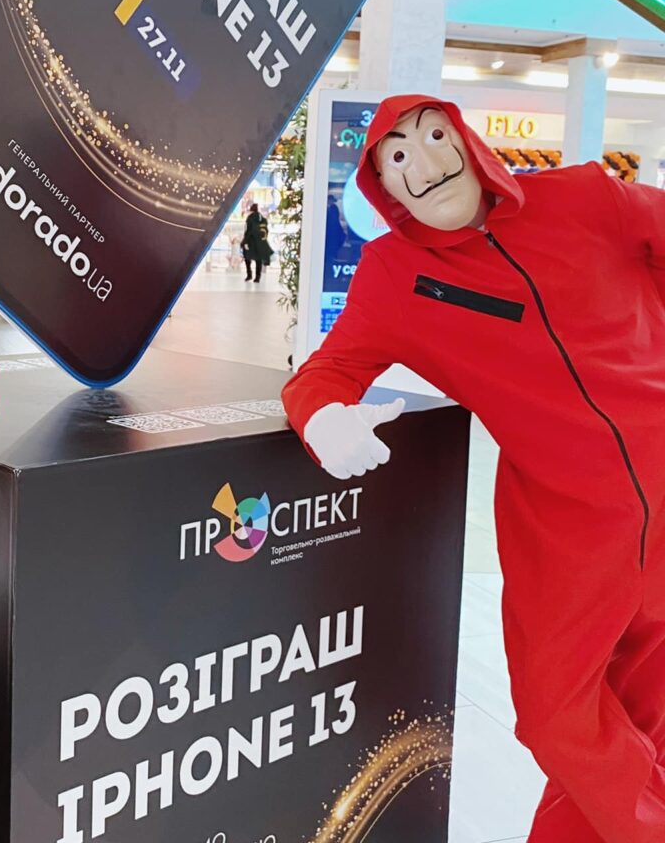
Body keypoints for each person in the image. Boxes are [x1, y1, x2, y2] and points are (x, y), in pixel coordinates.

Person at [283, 94, 665, 843]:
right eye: (397, 155)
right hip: (567, 522)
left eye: (434, 134)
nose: (424, 161)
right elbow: (328, 369)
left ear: (467, 138)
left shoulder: (587, 197)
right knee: (556, 714)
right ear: (382, 186)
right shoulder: (396, 273)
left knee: (645, 704)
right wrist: (324, 419)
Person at [241, 202, 273, 282]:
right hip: (260, 242)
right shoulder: (262, 218)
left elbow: (248, 231)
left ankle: (249, 275)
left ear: (251, 210)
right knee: (258, 259)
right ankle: (257, 277)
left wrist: (244, 241)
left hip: (251, 241)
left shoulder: (250, 218)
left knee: (247, 258)